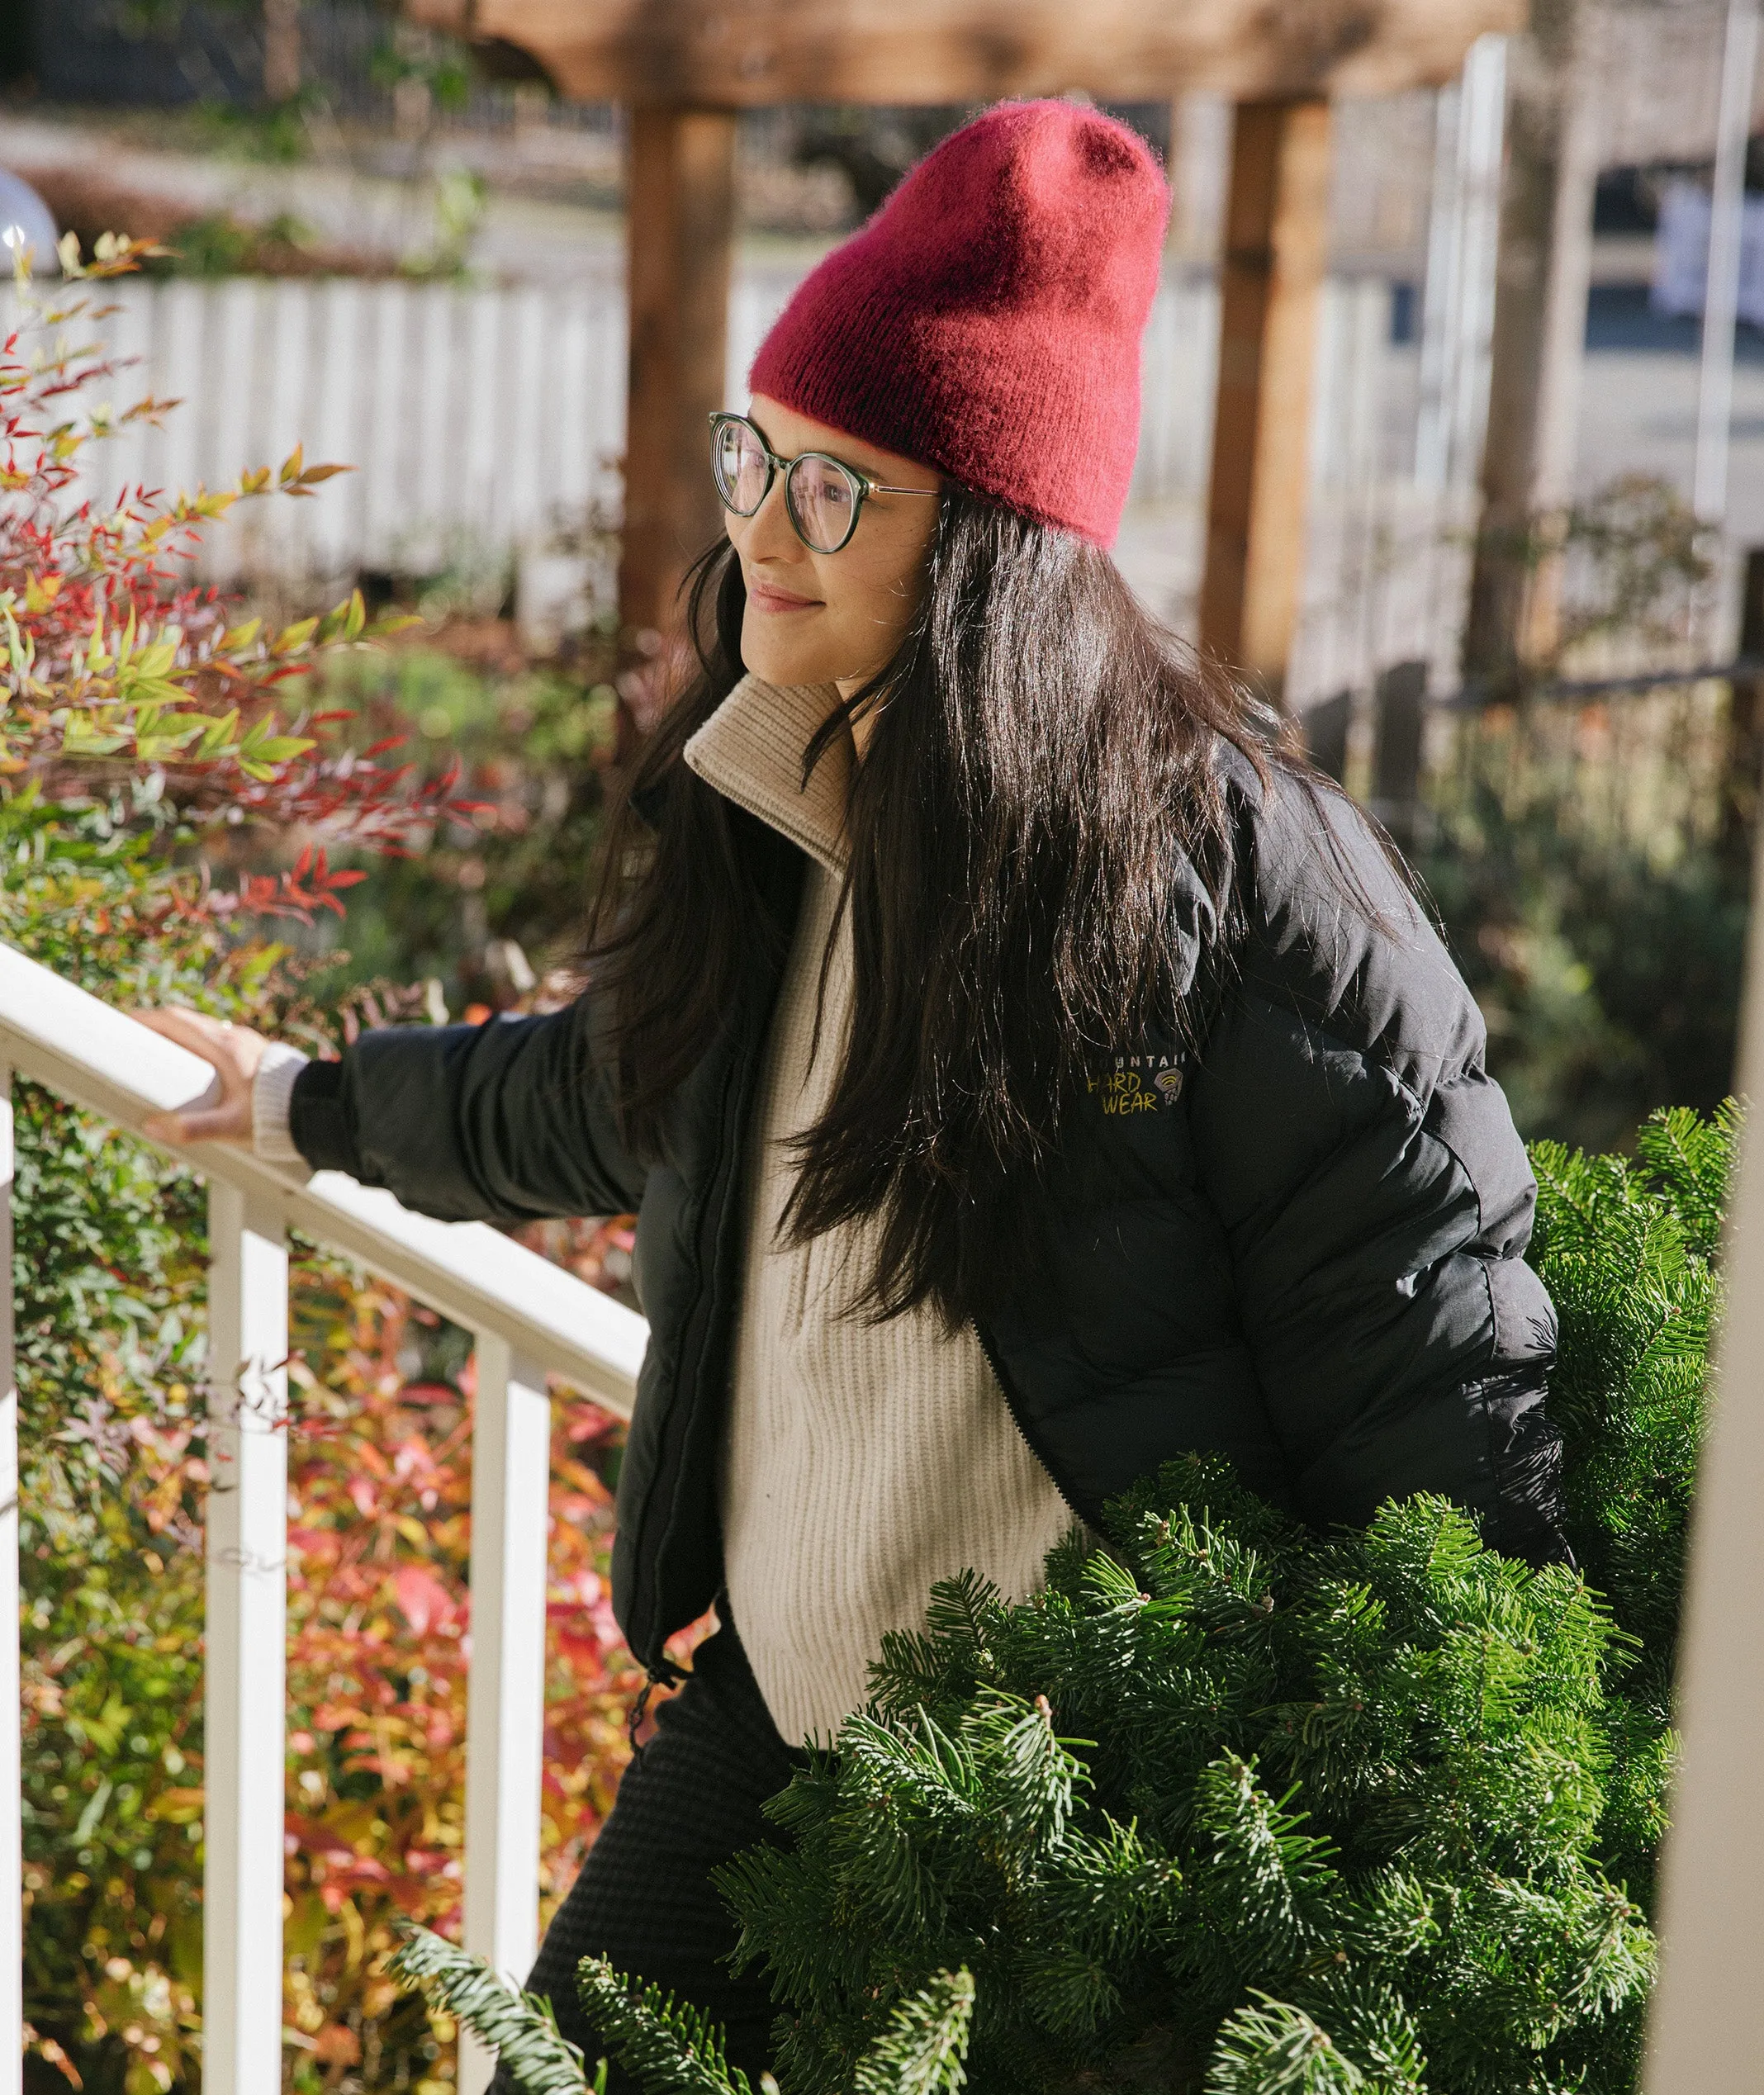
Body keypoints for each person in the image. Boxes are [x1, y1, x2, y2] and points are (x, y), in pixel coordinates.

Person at [135, 100, 1562, 2091]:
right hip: (775, 1726)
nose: (757, 529)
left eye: (837, 490)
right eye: (759, 458)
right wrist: (308, 1105)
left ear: (989, 539)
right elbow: (608, 1087)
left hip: (1077, 1839)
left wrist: (1342, 1900)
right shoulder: (784, 790)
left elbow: (1440, 1391)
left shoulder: (1251, 888)